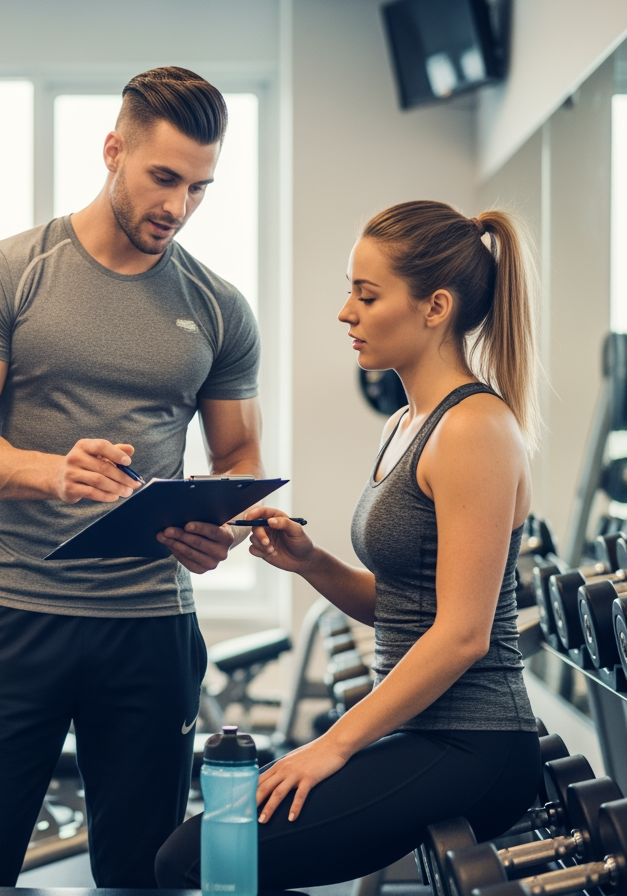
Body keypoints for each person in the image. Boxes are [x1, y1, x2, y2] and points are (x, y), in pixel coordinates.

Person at [0, 67, 263, 887]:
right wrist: (52, 472)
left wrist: (221, 526)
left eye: (200, 188)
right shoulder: (7, 273)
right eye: (164, 178)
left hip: (149, 627)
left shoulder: (218, 307)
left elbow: (240, 459)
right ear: (114, 151)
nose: (178, 207)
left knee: (142, 877)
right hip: (13, 615)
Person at [155, 200, 544, 889]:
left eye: (367, 295)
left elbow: (462, 637)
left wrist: (331, 747)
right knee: (208, 853)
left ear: (435, 308)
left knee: (199, 857)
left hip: (473, 743)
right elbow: (404, 610)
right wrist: (312, 563)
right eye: (350, 292)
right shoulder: (406, 422)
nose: (346, 313)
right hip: (420, 731)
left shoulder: (474, 429)